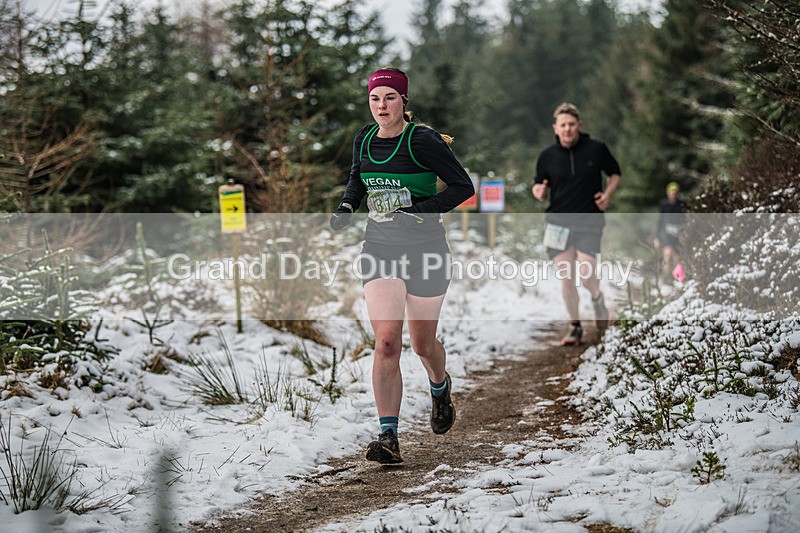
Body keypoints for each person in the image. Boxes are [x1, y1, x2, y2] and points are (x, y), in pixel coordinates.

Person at [329, 68, 474, 464]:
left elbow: (464, 187)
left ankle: (440, 386)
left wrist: (418, 212)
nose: (382, 106)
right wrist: (347, 205)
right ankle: (388, 437)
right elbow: (359, 177)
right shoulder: (365, 138)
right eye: (376, 99)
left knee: (423, 344)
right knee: (388, 341)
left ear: (404, 102)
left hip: (426, 251)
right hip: (380, 249)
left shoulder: (422, 140)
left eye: (390, 98)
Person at [532, 102, 621, 346]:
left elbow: (615, 172)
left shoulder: (596, 149)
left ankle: (597, 298)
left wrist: (608, 195)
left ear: (579, 125)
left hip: (589, 220)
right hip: (557, 222)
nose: (568, 129)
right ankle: (574, 327)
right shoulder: (547, 155)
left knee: (585, 272)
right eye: (563, 125)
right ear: (555, 128)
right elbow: (539, 183)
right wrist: (538, 190)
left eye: (572, 124)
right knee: (567, 277)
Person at [654, 181, 684, 279]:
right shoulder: (664, 205)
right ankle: (665, 277)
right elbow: (660, 221)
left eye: (675, 193)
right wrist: (657, 237)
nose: (673, 196)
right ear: (668, 193)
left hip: (679, 233)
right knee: (667, 254)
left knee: (677, 257)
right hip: (668, 233)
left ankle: (676, 278)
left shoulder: (682, 205)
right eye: (671, 193)